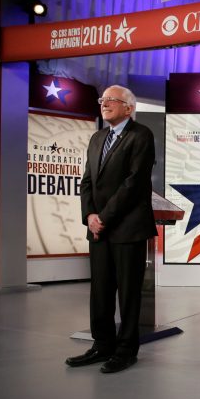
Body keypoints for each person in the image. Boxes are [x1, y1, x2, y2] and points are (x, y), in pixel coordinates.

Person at [66, 85, 156, 374]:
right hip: (98, 230)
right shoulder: (96, 138)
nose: (104, 104)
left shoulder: (141, 135)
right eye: (102, 100)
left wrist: (103, 217)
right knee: (100, 291)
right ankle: (101, 344)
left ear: (129, 108)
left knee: (128, 292)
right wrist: (89, 216)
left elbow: (134, 183)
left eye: (111, 100)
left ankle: (126, 350)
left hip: (128, 228)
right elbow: (87, 182)